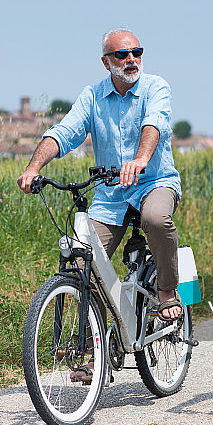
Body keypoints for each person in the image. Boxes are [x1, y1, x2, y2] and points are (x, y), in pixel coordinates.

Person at [17, 27, 183, 323]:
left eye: (137, 52)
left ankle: (168, 290)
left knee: (156, 218)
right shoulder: (92, 95)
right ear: (106, 62)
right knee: (82, 259)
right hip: (111, 195)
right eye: (122, 54)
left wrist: (141, 159)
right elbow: (65, 132)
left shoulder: (155, 87)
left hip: (153, 182)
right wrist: (34, 167)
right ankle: (99, 349)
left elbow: (154, 123)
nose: (131, 59)